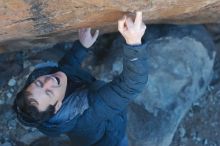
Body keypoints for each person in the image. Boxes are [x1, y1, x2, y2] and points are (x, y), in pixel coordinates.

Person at [13, 11, 148, 146]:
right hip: (110, 139)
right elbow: (131, 85)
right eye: (49, 92)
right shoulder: (90, 110)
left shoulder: (41, 110)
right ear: (58, 106)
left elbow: (65, 70)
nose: (49, 81)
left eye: (39, 83)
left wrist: (81, 47)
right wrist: (134, 45)